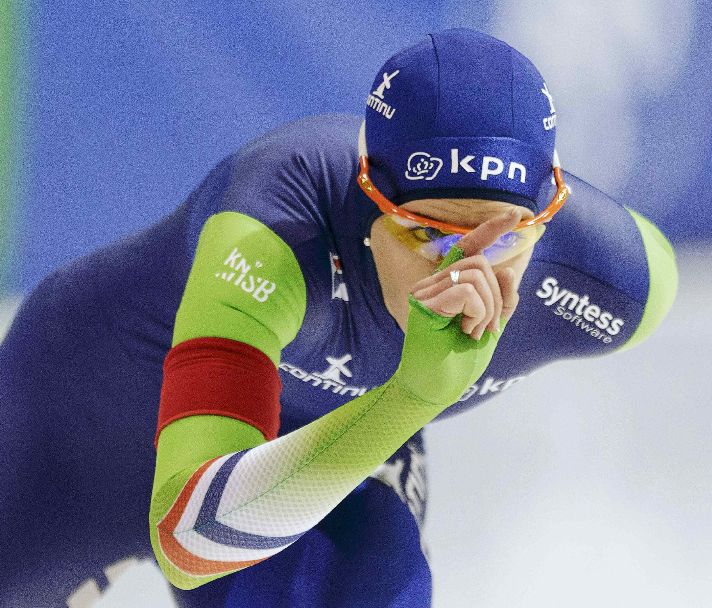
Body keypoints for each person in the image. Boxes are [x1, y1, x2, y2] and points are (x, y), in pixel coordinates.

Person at [0, 28, 677, 607]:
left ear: (548, 212)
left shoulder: (611, 278)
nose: (463, 275)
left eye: (503, 240)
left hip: (308, 453)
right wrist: (412, 396)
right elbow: (190, 537)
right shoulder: (276, 225)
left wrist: (402, 405)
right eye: (427, 234)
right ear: (367, 198)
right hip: (83, 421)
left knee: (366, 584)